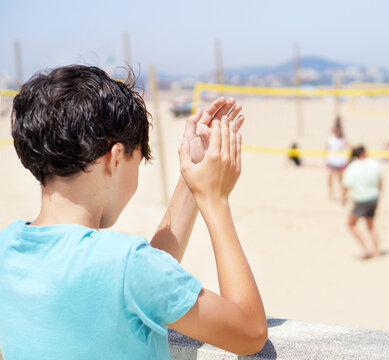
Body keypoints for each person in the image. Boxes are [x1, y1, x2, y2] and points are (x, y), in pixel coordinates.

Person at [0, 65, 267, 359]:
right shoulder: (128, 264)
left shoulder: (7, 247)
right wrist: (214, 200)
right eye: (137, 162)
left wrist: (191, 180)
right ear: (115, 158)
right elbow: (249, 333)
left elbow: (143, 281)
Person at [342, 145, 383, 259]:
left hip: (361, 198)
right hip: (373, 196)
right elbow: (381, 181)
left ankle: (366, 248)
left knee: (351, 224)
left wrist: (343, 197)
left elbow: (346, 185)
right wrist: (379, 194)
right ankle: (376, 252)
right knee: (371, 226)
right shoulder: (374, 164)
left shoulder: (353, 166)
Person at [326, 126, 349, 198]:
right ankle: (331, 192)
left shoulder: (342, 140)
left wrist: (347, 159)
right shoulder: (330, 139)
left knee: (340, 179)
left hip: (340, 162)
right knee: (329, 178)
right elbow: (326, 148)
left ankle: (342, 194)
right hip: (332, 161)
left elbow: (348, 147)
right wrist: (326, 158)